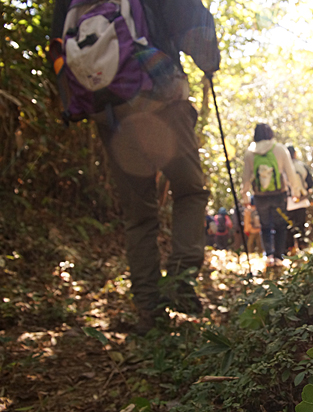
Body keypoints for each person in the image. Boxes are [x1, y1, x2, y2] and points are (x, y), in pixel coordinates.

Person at [50, 0, 220, 334]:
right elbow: (191, 19)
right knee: (190, 191)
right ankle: (181, 281)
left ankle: (149, 311)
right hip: (159, 98)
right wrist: (209, 62)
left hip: (109, 112)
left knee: (138, 215)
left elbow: (57, 49)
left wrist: (75, 102)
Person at [242, 124, 303, 267]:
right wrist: (295, 192)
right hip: (279, 194)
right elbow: (290, 172)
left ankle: (268, 255)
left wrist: (245, 197)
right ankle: (278, 257)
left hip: (260, 196)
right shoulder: (279, 149)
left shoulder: (250, 153)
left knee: (265, 226)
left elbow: (246, 178)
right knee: (281, 225)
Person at [286, 145, 313, 252]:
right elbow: (310, 183)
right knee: (301, 224)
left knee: (289, 227)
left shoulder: (283, 169)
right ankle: (303, 247)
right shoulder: (302, 166)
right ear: (295, 154)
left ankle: (291, 248)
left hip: (288, 203)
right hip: (302, 201)